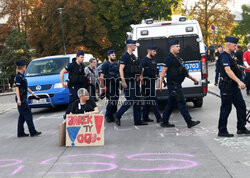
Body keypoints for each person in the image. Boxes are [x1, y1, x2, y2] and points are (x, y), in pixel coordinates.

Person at [159, 40, 200, 128]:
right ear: (172, 47)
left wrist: (193, 79)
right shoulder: (168, 59)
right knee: (182, 103)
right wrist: (159, 85)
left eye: (179, 46)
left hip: (177, 85)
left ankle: (164, 121)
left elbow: (184, 72)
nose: (179, 48)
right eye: (177, 46)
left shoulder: (177, 58)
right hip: (174, 86)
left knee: (171, 103)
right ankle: (189, 122)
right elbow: (162, 73)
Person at [217, 37, 250, 137]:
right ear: (229, 45)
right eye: (234, 45)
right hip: (227, 86)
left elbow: (233, 67)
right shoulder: (224, 56)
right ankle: (222, 130)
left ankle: (241, 128)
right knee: (226, 108)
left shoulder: (230, 56)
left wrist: (241, 68)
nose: (236, 47)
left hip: (233, 86)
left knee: (241, 106)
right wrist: (239, 82)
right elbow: (228, 70)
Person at [113, 40, 147, 126]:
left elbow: (137, 68)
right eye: (134, 45)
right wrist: (123, 80)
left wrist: (139, 76)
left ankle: (138, 120)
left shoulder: (133, 56)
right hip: (128, 82)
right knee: (130, 100)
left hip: (135, 81)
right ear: (130, 46)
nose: (135, 47)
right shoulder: (125, 56)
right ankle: (117, 115)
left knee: (138, 101)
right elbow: (121, 69)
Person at [15, 59, 42, 137]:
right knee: (28, 115)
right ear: (23, 67)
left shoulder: (22, 75)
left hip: (23, 97)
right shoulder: (18, 77)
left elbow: (25, 87)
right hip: (21, 99)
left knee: (22, 117)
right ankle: (32, 131)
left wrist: (33, 94)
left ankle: (20, 132)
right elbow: (17, 88)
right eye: (25, 66)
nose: (26, 67)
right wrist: (19, 99)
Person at [60, 50, 88, 119]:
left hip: (80, 86)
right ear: (77, 57)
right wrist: (62, 82)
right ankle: (67, 116)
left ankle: (79, 115)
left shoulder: (82, 66)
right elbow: (62, 72)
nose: (82, 59)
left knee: (81, 101)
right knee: (73, 101)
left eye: (83, 57)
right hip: (73, 86)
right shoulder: (71, 65)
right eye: (81, 57)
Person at [140, 44, 161, 123]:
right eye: (154, 51)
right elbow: (141, 72)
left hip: (152, 81)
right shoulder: (144, 60)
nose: (155, 53)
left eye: (155, 51)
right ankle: (159, 117)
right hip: (146, 82)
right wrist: (142, 82)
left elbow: (156, 70)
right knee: (153, 99)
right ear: (149, 51)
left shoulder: (154, 60)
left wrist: (161, 79)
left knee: (148, 100)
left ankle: (145, 117)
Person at [99, 50, 120, 123]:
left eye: (114, 55)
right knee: (112, 101)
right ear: (109, 56)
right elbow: (101, 77)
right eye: (112, 55)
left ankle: (114, 115)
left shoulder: (115, 64)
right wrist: (103, 87)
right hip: (109, 85)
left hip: (116, 85)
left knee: (115, 100)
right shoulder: (105, 65)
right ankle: (108, 115)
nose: (114, 56)